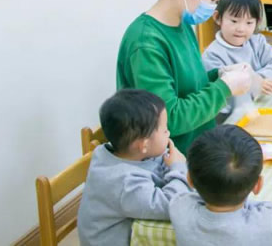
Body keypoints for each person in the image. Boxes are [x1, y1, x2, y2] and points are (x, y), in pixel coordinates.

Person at [117, 0, 251, 154]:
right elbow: (170, 119)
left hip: (198, 149)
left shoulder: (182, 25)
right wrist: (224, 88)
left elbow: (186, 87)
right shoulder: (146, 42)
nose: (214, 8)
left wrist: (219, 76)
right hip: (168, 166)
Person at [78, 90, 191, 246]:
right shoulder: (124, 183)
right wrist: (178, 168)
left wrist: (173, 167)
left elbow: (157, 164)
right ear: (143, 145)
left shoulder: (123, 151)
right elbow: (170, 206)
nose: (169, 132)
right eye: (164, 129)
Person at [170, 125, 272, 246]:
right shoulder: (270, 221)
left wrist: (176, 167)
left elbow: (183, 196)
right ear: (258, 185)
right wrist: (241, 190)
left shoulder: (180, 208)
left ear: (189, 179)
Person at [202, 0, 272, 120]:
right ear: (218, 18)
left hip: (258, 109)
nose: (241, 29)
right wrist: (254, 82)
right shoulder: (212, 55)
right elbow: (226, 95)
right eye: (234, 21)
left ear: (257, 22)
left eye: (249, 23)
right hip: (228, 118)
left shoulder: (257, 42)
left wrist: (260, 79)